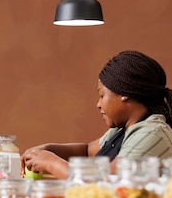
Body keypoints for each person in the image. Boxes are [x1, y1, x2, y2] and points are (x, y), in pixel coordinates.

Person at [21, 50, 172, 179]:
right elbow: (87, 151)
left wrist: (52, 163)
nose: (98, 104)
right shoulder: (123, 129)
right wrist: (45, 150)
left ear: (124, 94)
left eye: (102, 95)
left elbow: (107, 181)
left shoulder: (152, 133)